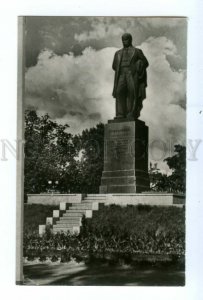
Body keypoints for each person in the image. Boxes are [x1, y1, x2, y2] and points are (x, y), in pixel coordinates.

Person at [112, 33, 149, 120]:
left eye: (126, 40)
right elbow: (114, 66)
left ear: (130, 40)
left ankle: (131, 113)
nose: (124, 42)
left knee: (132, 93)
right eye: (123, 40)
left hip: (132, 74)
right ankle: (120, 114)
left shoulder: (137, 51)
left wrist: (139, 64)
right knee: (119, 92)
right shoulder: (118, 53)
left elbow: (145, 62)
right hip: (121, 75)